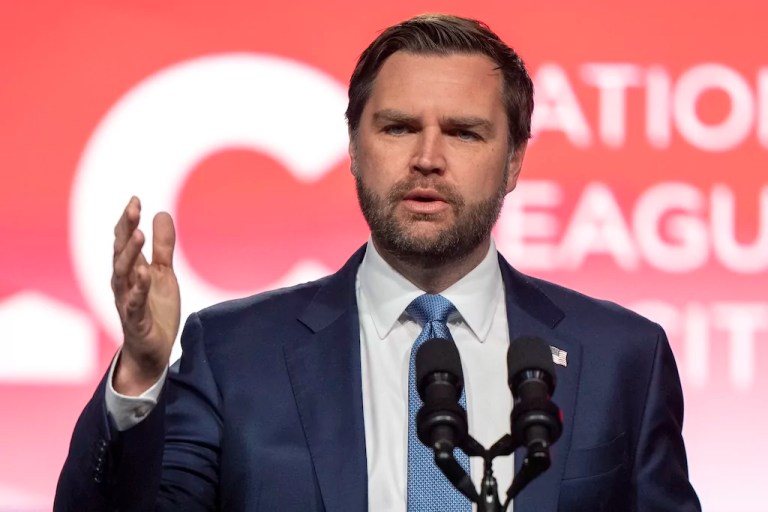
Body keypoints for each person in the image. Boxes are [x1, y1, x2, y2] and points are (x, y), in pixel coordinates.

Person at [54, 13, 701, 512]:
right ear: (355, 150)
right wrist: (141, 371)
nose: (427, 157)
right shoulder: (232, 354)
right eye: (396, 128)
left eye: (464, 132)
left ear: (514, 162)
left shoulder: (622, 357)